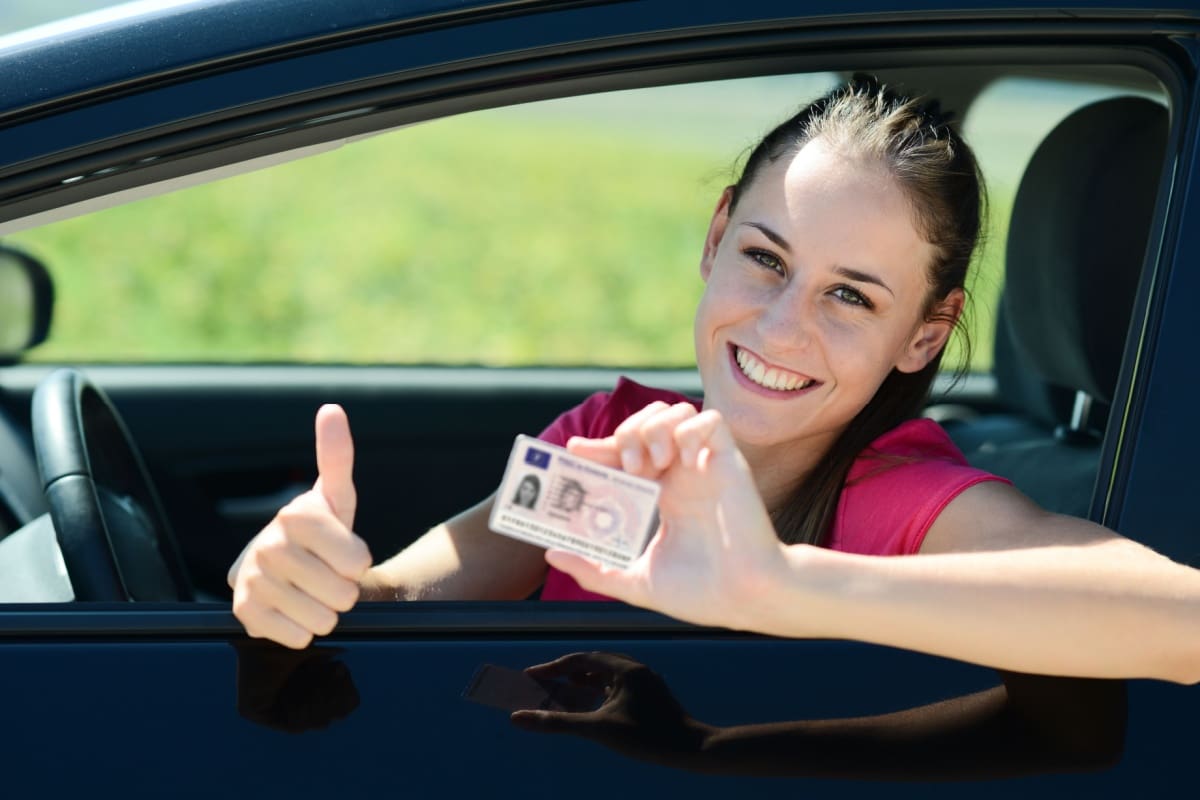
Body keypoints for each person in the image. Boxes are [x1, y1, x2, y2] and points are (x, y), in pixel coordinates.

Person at [227, 77, 1200, 684]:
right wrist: (301, 576)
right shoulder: (614, 439)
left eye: (851, 297)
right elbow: (407, 596)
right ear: (715, 233)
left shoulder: (906, 501)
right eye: (767, 260)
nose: (781, 327)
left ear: (925, 332)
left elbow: (1182, 622)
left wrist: (784, 585)